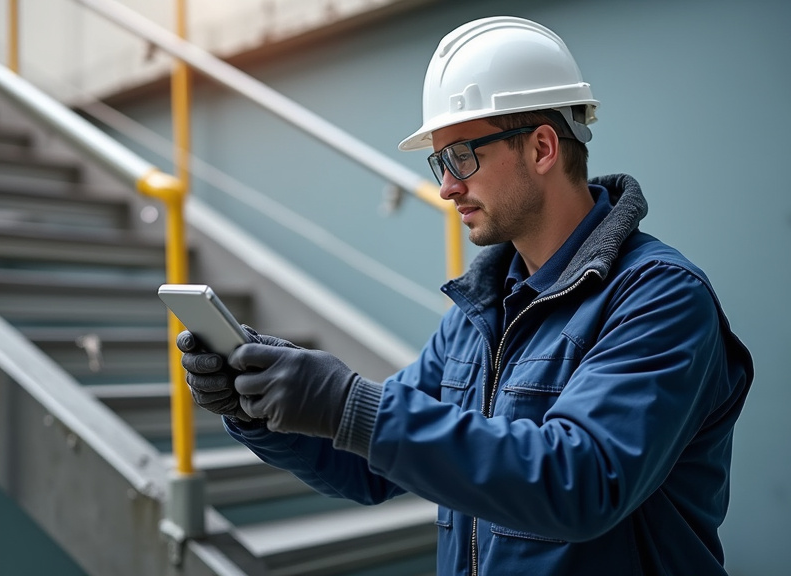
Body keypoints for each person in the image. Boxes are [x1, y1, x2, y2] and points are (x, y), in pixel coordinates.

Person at [178, 15, 754, 576]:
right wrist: (254, 404)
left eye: (462, 156)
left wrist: (348, 404)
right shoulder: (481, 313)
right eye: (440, 162)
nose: (448, 186)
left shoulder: (659, 298)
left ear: (543, 148)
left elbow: (583, 481)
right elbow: (367, 468)